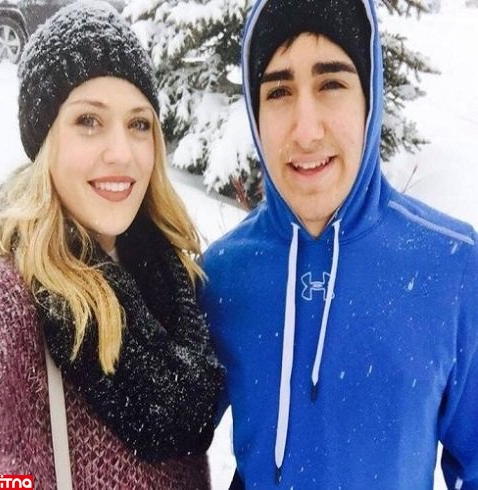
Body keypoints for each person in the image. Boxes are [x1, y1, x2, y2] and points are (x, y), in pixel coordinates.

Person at [199, 0, 478, 488]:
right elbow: (165, 443)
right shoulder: (222, 275)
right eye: (279, 91)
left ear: (370, 98)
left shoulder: (452, 267)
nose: (306, 131)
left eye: (331, 84)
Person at [0, 2, 224, 488]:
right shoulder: (10, 298)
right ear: (45, 140)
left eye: (139, 124)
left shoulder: (175, 280)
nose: (121, 153)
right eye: (89, 121)